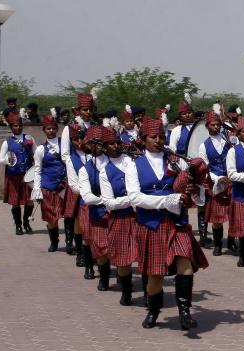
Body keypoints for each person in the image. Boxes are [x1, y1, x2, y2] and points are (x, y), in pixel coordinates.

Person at [125, 118, 209, 330]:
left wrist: (194, 186)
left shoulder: (175, 161)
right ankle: (153, 311)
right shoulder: (133, 166)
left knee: (186, 265)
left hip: (177, 222)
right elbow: (135, 198)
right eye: (153, 137)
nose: (158, 140)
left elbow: (191, 187)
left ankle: (184, 313)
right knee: (155, 275)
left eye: (161, 136)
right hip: (151, 224)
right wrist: (167, 200)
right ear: (143, 139)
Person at [99, 128, 137, 305]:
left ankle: (147, 289)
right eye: (111, 144)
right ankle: (127, 291)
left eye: (117, 142)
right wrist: (133, 198)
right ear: (105, 147)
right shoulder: (104, 171)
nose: (115, 146)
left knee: (143, 253)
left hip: (139, 215)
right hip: (120, 218)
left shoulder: (133, 162)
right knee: (123, 258)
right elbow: (109, 203)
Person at [78, 126, 111, 291]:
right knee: (101, 247)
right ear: (88, 145)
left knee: (119, 246)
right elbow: (87, 196)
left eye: (101, 142)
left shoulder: (116, 163)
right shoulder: (85, 169)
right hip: (97, 213)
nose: (98, 146)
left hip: (118, 213)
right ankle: (104, 277)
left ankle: (123, 277)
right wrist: (107, 201)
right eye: (93, 143)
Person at [198, 111, 233, 256]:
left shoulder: (228, 141)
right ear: (207, 126)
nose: (216, 127)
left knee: (233, 215)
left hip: (231, 181)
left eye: (218, 124)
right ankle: (218, 245)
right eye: (213, 125)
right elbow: (205, 168)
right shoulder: (203, 146)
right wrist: (218, 179)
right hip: (216, 183)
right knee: (217, 219)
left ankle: (231, 241)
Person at [31, 113, 67, 252]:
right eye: (48, 129)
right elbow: (37, 170)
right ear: (44, 130)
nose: (51, 131)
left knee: (68, 216)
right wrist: (37, 189)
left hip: (64, 186)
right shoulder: (40, 149)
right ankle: (54, 242)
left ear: (57, 129)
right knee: (52, 219)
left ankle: (69, 242)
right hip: (48, 188)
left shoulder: (64, 145)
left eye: (53, 128)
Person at [0, 112, 35, 235]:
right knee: (15, 201)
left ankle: (27, 223)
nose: (17, 128)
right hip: (13, 176)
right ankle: (18, 226)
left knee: (29, 200)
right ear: (11, 127)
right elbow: (0, 159)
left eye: (19, 125)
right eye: (15, 126)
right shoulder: (7, 142)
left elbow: (36, 154)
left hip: (28, 176)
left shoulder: (29, 138)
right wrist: (7, 160)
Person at [226, 116, 244, 267]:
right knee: (243, 227)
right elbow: (231, 174)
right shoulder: (233, 152)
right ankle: (243, 256)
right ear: (238, 134)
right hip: (241, 193)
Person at [63, 123, 90, 269]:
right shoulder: (70, 159)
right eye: (75, 140)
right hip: (80, 193)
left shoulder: (93, 155)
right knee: (79, 223)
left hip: (95, 195)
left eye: (82, 138)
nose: (80, 142)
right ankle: (80, 253)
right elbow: (73, 185)